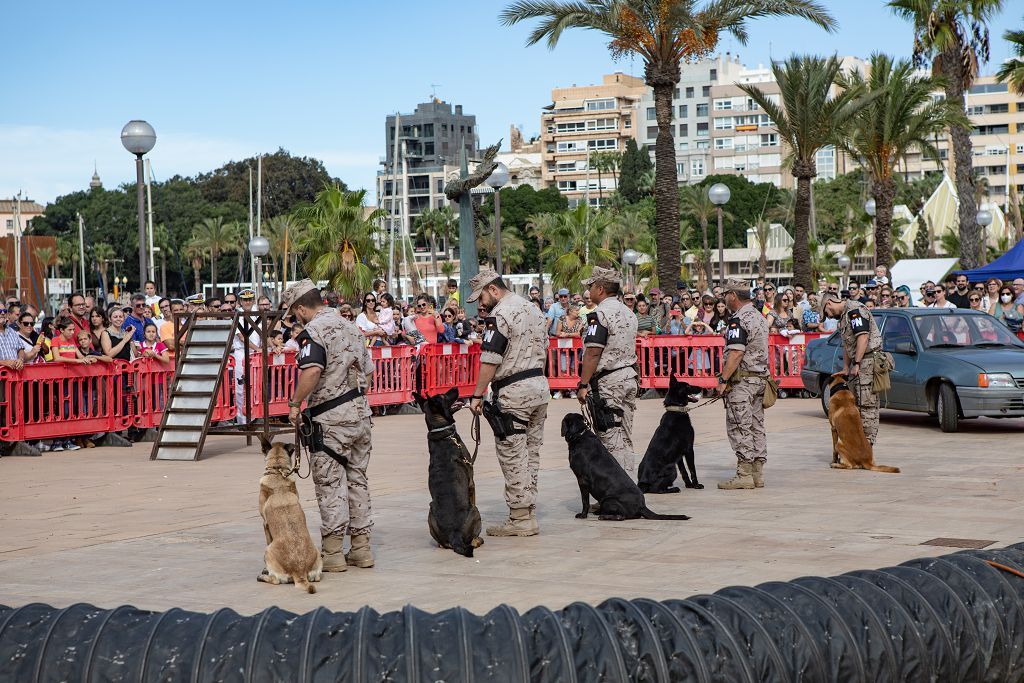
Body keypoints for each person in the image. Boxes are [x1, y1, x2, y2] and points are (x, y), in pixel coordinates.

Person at [283, 278, 375, 572]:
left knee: (330, 484)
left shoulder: (314, 331)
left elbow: (312, 371)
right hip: (360, 416)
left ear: (300, 308)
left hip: (331, 420)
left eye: (294, 312)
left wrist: (296, 404)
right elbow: (369, 373)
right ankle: (361, 549)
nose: (295, 318)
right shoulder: (351, 327)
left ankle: (334, 552)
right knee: (358, 479)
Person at [466, 269, 549, 537]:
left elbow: (491, 358)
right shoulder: (533, 309)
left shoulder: (499, 315)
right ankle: (529, 510)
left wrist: (477, 395)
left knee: (513, 454)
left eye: (481, 297)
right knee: (531, 453)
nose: (480, 304)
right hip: (539, 386)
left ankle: (520, 517)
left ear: (493, 289)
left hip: (514, 391)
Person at [575, 267, 639, 473]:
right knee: (625, 436)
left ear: (600, 289)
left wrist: (583, 384)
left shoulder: (599, 314)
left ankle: (617, 495)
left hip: (608, 382)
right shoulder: (628, 313)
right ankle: (630, 488)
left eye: (591, 286)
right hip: (628, 376)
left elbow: (593, 353)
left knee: (611, 439)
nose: (589, 290)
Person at [714, 279, 770, 490]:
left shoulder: (738, 320)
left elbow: (737, 352)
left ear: (733, 296)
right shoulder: (759, 316)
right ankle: (757, 473)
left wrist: (723, 380)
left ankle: (744, 474)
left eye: (725, 295)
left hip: (742, 382)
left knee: (740, 425)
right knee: (756, 425)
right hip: (759, 380)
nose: (724, 299)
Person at [821, 290, 883, 448]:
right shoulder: (843, 317)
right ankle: (857, 448)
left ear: (829, 303)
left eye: (827, 313)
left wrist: (857, 363)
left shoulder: (855, 311)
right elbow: (848, 344)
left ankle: (866, 448)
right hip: (858, 364)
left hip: (867, 362)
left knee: (866, 406)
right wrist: (847, 367)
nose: (829, 316)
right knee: (857, 407)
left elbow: (862, 336)